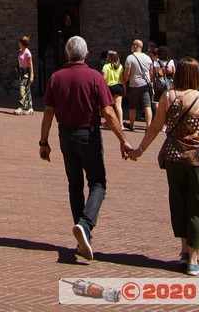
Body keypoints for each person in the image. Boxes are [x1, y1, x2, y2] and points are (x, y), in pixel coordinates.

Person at [128, 56, 199, 276]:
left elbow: (155, 128)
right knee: (198, 206)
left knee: (179, 203)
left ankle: (185, 251)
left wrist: (139, 150)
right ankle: (194, 260)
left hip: (174, 158)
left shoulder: (168, 97)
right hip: (197, 160)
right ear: (196, 76)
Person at [38, 35, 134, 261]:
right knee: (98, 183)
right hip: (88, 135)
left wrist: (43, 142)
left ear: (66, 54)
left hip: (65, 135)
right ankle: (85, 224)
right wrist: (123, 139)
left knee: (74, 185)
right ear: (87, 54)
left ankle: (83, 239)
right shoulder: (94, 77)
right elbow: (108, 112)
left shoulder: (56, 77)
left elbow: (48, 114)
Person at [123, 39, 153, 133]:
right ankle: (148, 126)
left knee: (132, 106)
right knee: (147, 105)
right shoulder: (148, 58)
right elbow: (151, 72)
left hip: (134, 84)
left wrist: (125, 81)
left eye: (132, 44)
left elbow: (127, 72)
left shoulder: (130, 58)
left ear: (136, 46)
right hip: (145, 84)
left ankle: (132, 125)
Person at [101, 50, 124, 125]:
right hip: (118, 86)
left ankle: (109, 122)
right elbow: (122, 79)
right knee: (118, 106)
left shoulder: (106, 66)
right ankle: (120, 124)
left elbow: (104, 79)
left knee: (109, 106)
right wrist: (125, 88)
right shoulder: (120, 66)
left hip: (109, 87)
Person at [15, 35, 34, 115]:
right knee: (27, 90)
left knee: (22, 89)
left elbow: (31, 65)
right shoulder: (20, 51)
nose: (18, 44)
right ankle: (30, 108)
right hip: (21, 72)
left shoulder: (27, 53)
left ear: (23, 43)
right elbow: (19, 60)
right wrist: (17, 69)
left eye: (19, 43)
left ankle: (21, 107)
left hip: (26, 72)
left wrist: (32, 75)